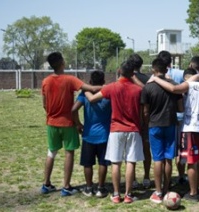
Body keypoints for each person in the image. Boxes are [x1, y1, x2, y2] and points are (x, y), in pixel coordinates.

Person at [149, 66, 199, 201]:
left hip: (191, 128)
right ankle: (197, 187)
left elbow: (173, 89)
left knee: (191, 161)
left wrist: (155, 79)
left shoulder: (189, 85)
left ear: (187, 77)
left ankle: (193, 192)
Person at [40, 52, 102, 197]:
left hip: (51, 123)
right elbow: (92, 89)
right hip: (67, 123)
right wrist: (112, 86)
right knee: (69, 153)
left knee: (51, 152)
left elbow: (44, 104)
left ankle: (46, 184)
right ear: (62, 62)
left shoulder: (45, 81)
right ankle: (66, 186)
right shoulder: (70, 79)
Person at [84, 60, 144, 204]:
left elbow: (92, 99)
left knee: (116, 163)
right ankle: (128, 195)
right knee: (131, 162)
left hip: (116, 129)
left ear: (119, 71)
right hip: (133, 129)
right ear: (133, 74)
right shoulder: (138, 90)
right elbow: (145, 97)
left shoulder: (112, 87)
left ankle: (116, 194)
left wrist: (85, 89)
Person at [141, 58, 183, 203]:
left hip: (154, 126)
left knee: (158, 159)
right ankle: (167, 188)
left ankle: (158, 191)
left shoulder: (148, 87)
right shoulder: (174, 85)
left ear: (153, 69)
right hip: (171, 125)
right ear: (167, 69)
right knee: (168, 159)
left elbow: (145, 111)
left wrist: (148, 124)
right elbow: (181, 108)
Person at [71, 70, 111, 198]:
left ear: (90, 82)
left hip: (88, 134)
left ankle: (88, 188)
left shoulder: (84, 94)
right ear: (103, 82)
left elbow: (73, 109)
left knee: (88, 163)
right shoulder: (107, 93)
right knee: (103, 162)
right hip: (105, 134)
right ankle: (101, 188)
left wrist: (78, 123)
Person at [157, 50, 187, 185]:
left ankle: (164, 180)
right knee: (180, 148)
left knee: (161, 152)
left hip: (162, 117)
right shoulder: (180, 73)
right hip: (180, 116)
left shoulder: (156, 77)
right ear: (171, 62)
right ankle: (181, 175)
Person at [128, 53, 152, 189]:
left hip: (130, 120)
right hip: (146, 119)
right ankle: (147, 177)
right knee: (146, 149)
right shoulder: (148, 79)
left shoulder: (128, 80)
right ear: (141, 65)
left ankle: (133, 179)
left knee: (131, 151)